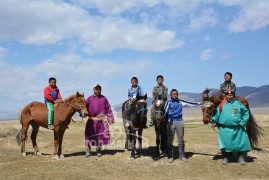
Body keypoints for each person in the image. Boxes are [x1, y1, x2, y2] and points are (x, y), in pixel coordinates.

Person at [212, 89, 251, 165]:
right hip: (224, 128)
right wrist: (212, 119)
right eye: (228, 95)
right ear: (226, 96)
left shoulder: (238, 104)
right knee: (225, 144)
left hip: (238, 128)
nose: (229, 97)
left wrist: (243, 122)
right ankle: (225, 158)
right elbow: (216, 115)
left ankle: (241, 158)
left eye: (231, 95)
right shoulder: (221, 105)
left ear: (233, 96)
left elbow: (246, 113)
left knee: (241, 143)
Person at [164, 89, 200, 163]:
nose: (175, 95)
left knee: (181, 139)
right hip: (171, 122)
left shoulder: (180, 102)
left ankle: (182, 156)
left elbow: (190, 104)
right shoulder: (168, 102)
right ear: (171, 95)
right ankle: (170, 156)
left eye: (176, 94)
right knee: (170, 140)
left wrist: (199, 103)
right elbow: (165, 111)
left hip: (179, 121)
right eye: (173, 94)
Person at [85, 84, 115, 157]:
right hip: (91, 121)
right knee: (89, 136)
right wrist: (83, 113)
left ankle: (98, 150)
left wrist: (110, 119)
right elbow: (84, 108)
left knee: (100, 136)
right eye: (96, 89)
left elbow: (108, 108)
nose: (98, 90)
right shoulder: (89, 98)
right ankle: (88, 151)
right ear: (94, 90)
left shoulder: (104, 98)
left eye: (99, 89)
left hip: (101, 121)